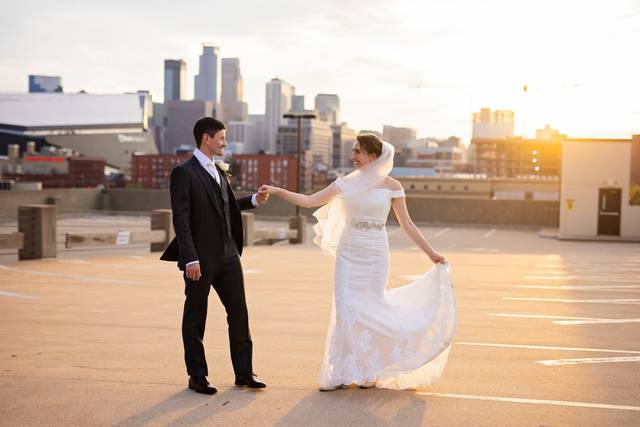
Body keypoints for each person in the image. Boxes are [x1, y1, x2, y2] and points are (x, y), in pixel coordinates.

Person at [259, 134, 456, 391]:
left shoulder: (392, 186)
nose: (353, 156)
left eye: (358, 151)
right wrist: (276, 191)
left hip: (375, 253)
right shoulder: (344, 184)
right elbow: (308, 201)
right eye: (353, 151)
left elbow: (407, 225)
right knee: (345, 309)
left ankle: (368, 371)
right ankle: (339, 373)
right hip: (348, 252)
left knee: (372, 307)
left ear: (373, 156)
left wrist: (431, 254)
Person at [161, 117, 269, 395]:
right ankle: (197, 376)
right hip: (201, 259)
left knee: (239, 313)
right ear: (206, 138)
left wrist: (253, 200)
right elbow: (181, 218)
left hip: (229, 255)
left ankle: (244, 373)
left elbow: (226, 205)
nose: (225, 142)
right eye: (222, 138)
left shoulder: (218, 170)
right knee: (196, 316)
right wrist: (191, 258)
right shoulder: (183, 172)